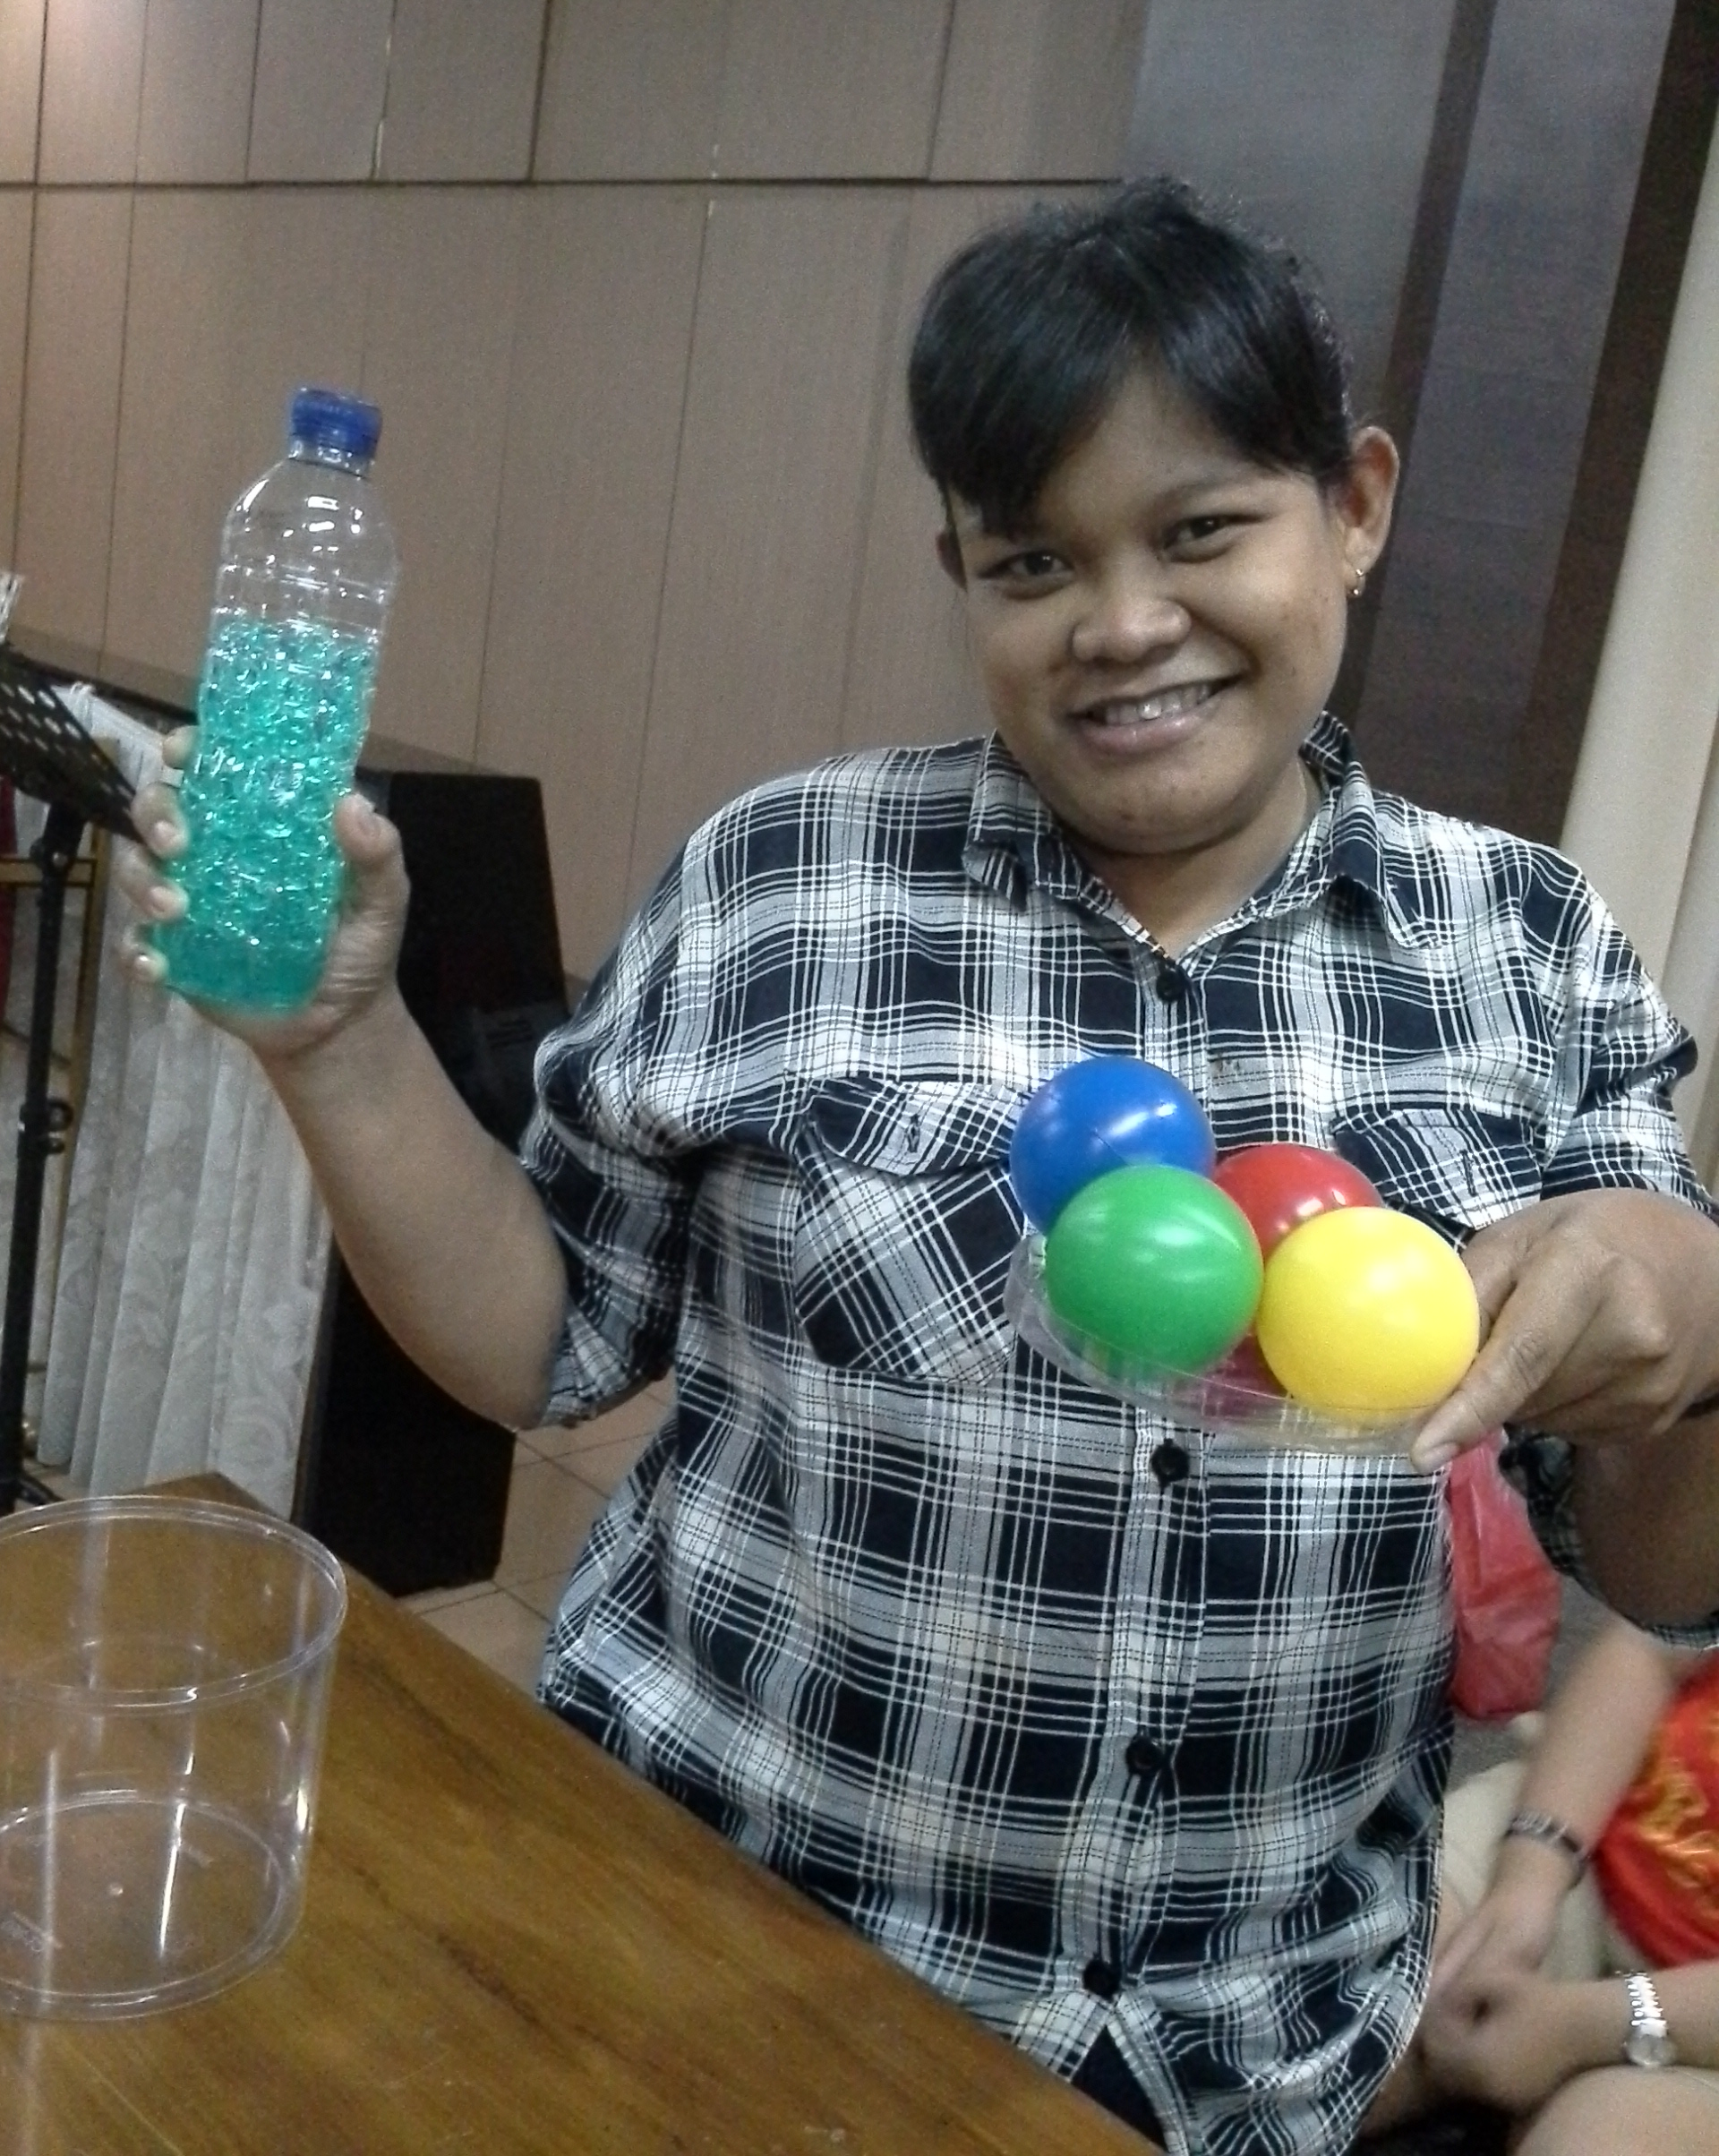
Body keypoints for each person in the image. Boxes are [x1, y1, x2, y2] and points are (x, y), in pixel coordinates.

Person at [114, 180, 1719, 2156]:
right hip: (718, 1950)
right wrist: (338, 1041)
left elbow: (1662, 1564)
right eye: (1034, 560)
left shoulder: (1530, 950)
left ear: (1356, 507)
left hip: (1249, 2055)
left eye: (1202, 530)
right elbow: (544, 1342)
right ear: (959, 567)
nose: (1122, 623)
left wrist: (1700, 1326)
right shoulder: (787, 881)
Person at [1413, 1615, 1719, 2150]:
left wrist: (1583, 2025)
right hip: (1592, 1824)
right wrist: (1526, 1884)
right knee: (1331, 2001)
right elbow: (1650, 1648)